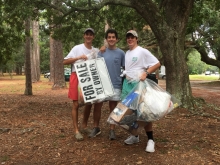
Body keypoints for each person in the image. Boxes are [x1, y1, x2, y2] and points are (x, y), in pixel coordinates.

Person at [121, 30, 161, 152]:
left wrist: (147, 72)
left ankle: (151, 140)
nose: (130, 39)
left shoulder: (142, 51)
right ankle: (135, 136)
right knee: (130, 112)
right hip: (127, 85)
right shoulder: (127, 53)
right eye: (128, 37)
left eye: (132, 37)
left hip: (138, 85)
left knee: (144, 112)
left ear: (136, 38)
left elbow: (157, 63)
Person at [63, 27, 101, 141]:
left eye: (91, 34)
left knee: (89, 102)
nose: (88, 36)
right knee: (75, 104)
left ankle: (84, 126)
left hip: (89, 78)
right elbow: (65, 61)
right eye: (87, 34)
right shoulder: (77, 48)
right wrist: (78, 57)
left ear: (93, 37)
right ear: (84, 36)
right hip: (76, 76)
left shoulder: (95, 51)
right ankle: (76, 130)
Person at [98, 29, 125, 140]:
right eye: (109, 37)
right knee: (97, 105)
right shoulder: (101, 52)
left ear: (117, 39)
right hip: (103, 84)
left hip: (116, 84)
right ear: (106, 39)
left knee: (113, 107)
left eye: (113, 37)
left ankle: (112, 130)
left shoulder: (121, 53)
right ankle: (96, 127)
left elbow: (125, 68)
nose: (111, 39)